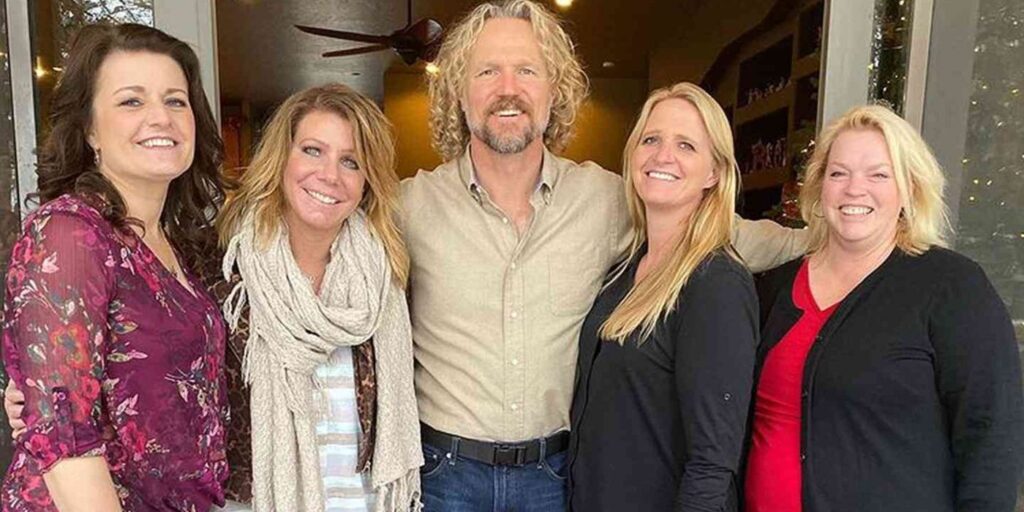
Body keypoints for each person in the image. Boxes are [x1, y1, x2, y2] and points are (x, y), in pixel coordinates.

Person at [400, 1, 806, 509]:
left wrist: (840, 237)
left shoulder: (605, 199)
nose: (509, 88)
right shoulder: (410, 206)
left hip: (556, 479)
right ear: (460, 94)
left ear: (554, 92)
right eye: (487, 71)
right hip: (444, 477)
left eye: (527, 70)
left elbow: (724, 233)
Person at [744, 104, 1024, 512]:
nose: (855, 189)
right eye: (839, 173)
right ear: (819, 186)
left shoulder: (951, 286)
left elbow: (992, 434)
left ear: (910, 188)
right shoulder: (772, 287)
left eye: (878, 174)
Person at [0, 23, 229, 511]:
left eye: (175, 100)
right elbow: (64, 436)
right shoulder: (70, 234)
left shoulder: (178, 245)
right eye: (131, 101)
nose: (160, 118)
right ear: (88, 128)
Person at [216, 83, 422, 512]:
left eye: (351, 162)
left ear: (367, 183)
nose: (330, 175)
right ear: (282, 157)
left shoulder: (382, 276)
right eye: (312, 150)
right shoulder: (225, 273)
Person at [568, 82, 756, 511]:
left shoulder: (716, 284)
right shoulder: (624, 273)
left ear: (714, 173)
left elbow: (713, 461)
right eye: (651, 140)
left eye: (686, 145)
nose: (662, 156)